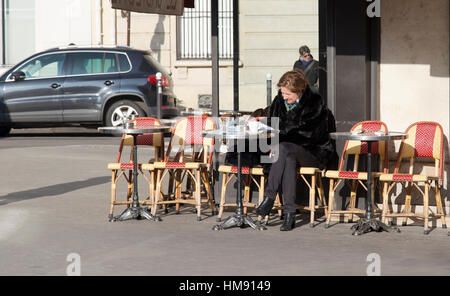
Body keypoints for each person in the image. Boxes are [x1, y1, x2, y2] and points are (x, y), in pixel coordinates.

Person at [254, 69, 337, 231]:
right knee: (288, 158)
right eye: (282, 93)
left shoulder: (314, 103)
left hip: (313, 151)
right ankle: (290, 214)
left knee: (284, 148)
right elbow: (273, 124)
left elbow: (311, 134)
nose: (284, 97)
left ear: (299, 91)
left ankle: (269, 198)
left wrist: (280, 141)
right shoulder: (279, 101)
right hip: (287, 152)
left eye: (287, 94)